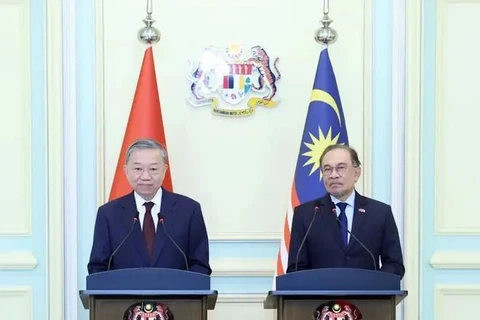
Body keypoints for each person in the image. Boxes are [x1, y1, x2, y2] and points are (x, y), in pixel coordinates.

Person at [88, 138, 211, 275]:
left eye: (153, 169)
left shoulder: (189, 210)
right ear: (126, 170)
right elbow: (97, 268)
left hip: (175, 296)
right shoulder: (108, 214)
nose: (145, 176)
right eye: (138, 169)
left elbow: (200, 266)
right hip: (124, 296)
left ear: (164, 170)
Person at [286, 145, 404, 278]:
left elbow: (394, 265)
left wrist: (371, 284)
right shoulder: (306, 214)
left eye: (341, 168)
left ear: (356, 173)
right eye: (327, 169)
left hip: (367, 297)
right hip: (321, 297)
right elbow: (295, 268)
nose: (333, 175)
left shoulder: (380, 213)